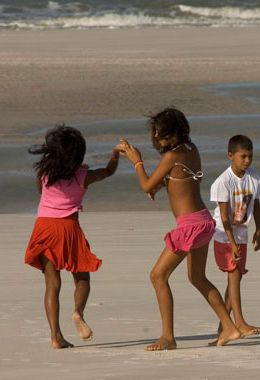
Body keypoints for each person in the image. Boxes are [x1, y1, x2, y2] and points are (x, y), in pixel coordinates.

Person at [118, 107, 241, 350]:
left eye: (165, 135)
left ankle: (168, 337)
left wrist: (137, 161)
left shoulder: (170, 157)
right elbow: (180, 178)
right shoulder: (190, 149)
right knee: (197, 277)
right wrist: (163, 185)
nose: (160, 140)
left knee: (158, 276)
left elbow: (145, 185)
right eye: (158, 135)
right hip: (204, 220)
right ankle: (229, 327)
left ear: (178, 132)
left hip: (191, 226)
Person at [25, 125, 122, 348]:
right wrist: (115, 154)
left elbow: (42, 192)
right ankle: (78, 313)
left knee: (52, 284)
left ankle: (55, 337)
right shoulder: (83, 176)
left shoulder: (45, 173)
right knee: (82, 279)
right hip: (68, 228)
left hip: (44, 227)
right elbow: (108, 171)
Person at [210, 135, 260, 337]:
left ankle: (224, 325)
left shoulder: (254, 176)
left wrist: (259, 230)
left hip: (242, 234)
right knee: (234, 275)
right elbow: (224, 217)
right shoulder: (223, 182)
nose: (247, 161)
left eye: (250, 156)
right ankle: (239, 323)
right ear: (231, 156)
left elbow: (256, 204)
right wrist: (231, 243)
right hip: (224, 236)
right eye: (243, 157)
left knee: (236, 278)